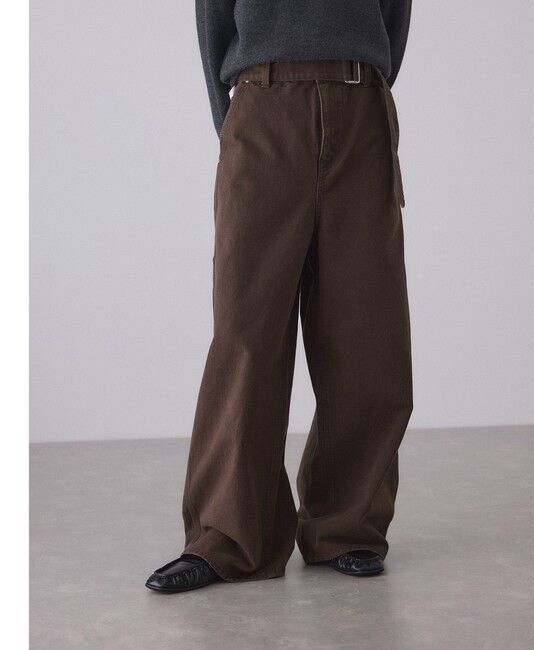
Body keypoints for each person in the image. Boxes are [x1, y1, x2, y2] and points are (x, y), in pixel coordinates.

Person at [146, 0, 413, 593]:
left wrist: (360, 89)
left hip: (361, 106)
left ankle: (347, 527)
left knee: (368, 331)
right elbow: (214, 22)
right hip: (262, 104)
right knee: (247, 333)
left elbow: (393, 16)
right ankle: (227, 538)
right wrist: (242, 117)